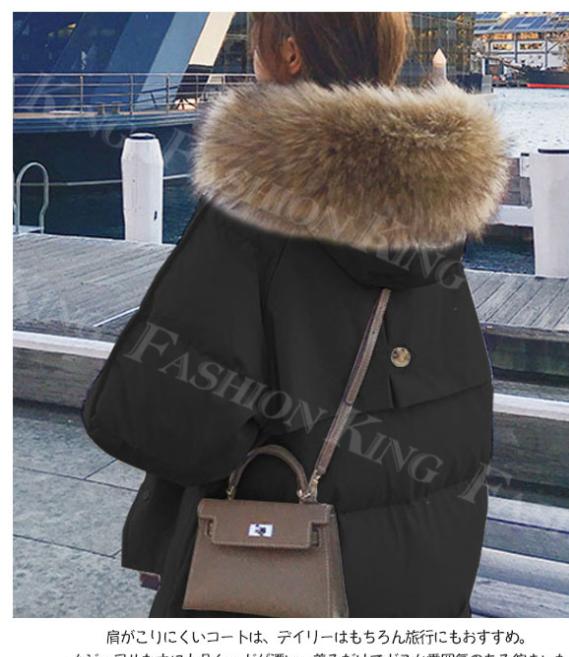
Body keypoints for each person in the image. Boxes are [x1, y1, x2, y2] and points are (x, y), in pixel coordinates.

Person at [81, 12, 509, 618]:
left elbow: (153, 421)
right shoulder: (441, 219)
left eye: (256, 40)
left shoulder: (257, 203)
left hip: (276, 580)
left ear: (289, 52)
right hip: (424, 585)